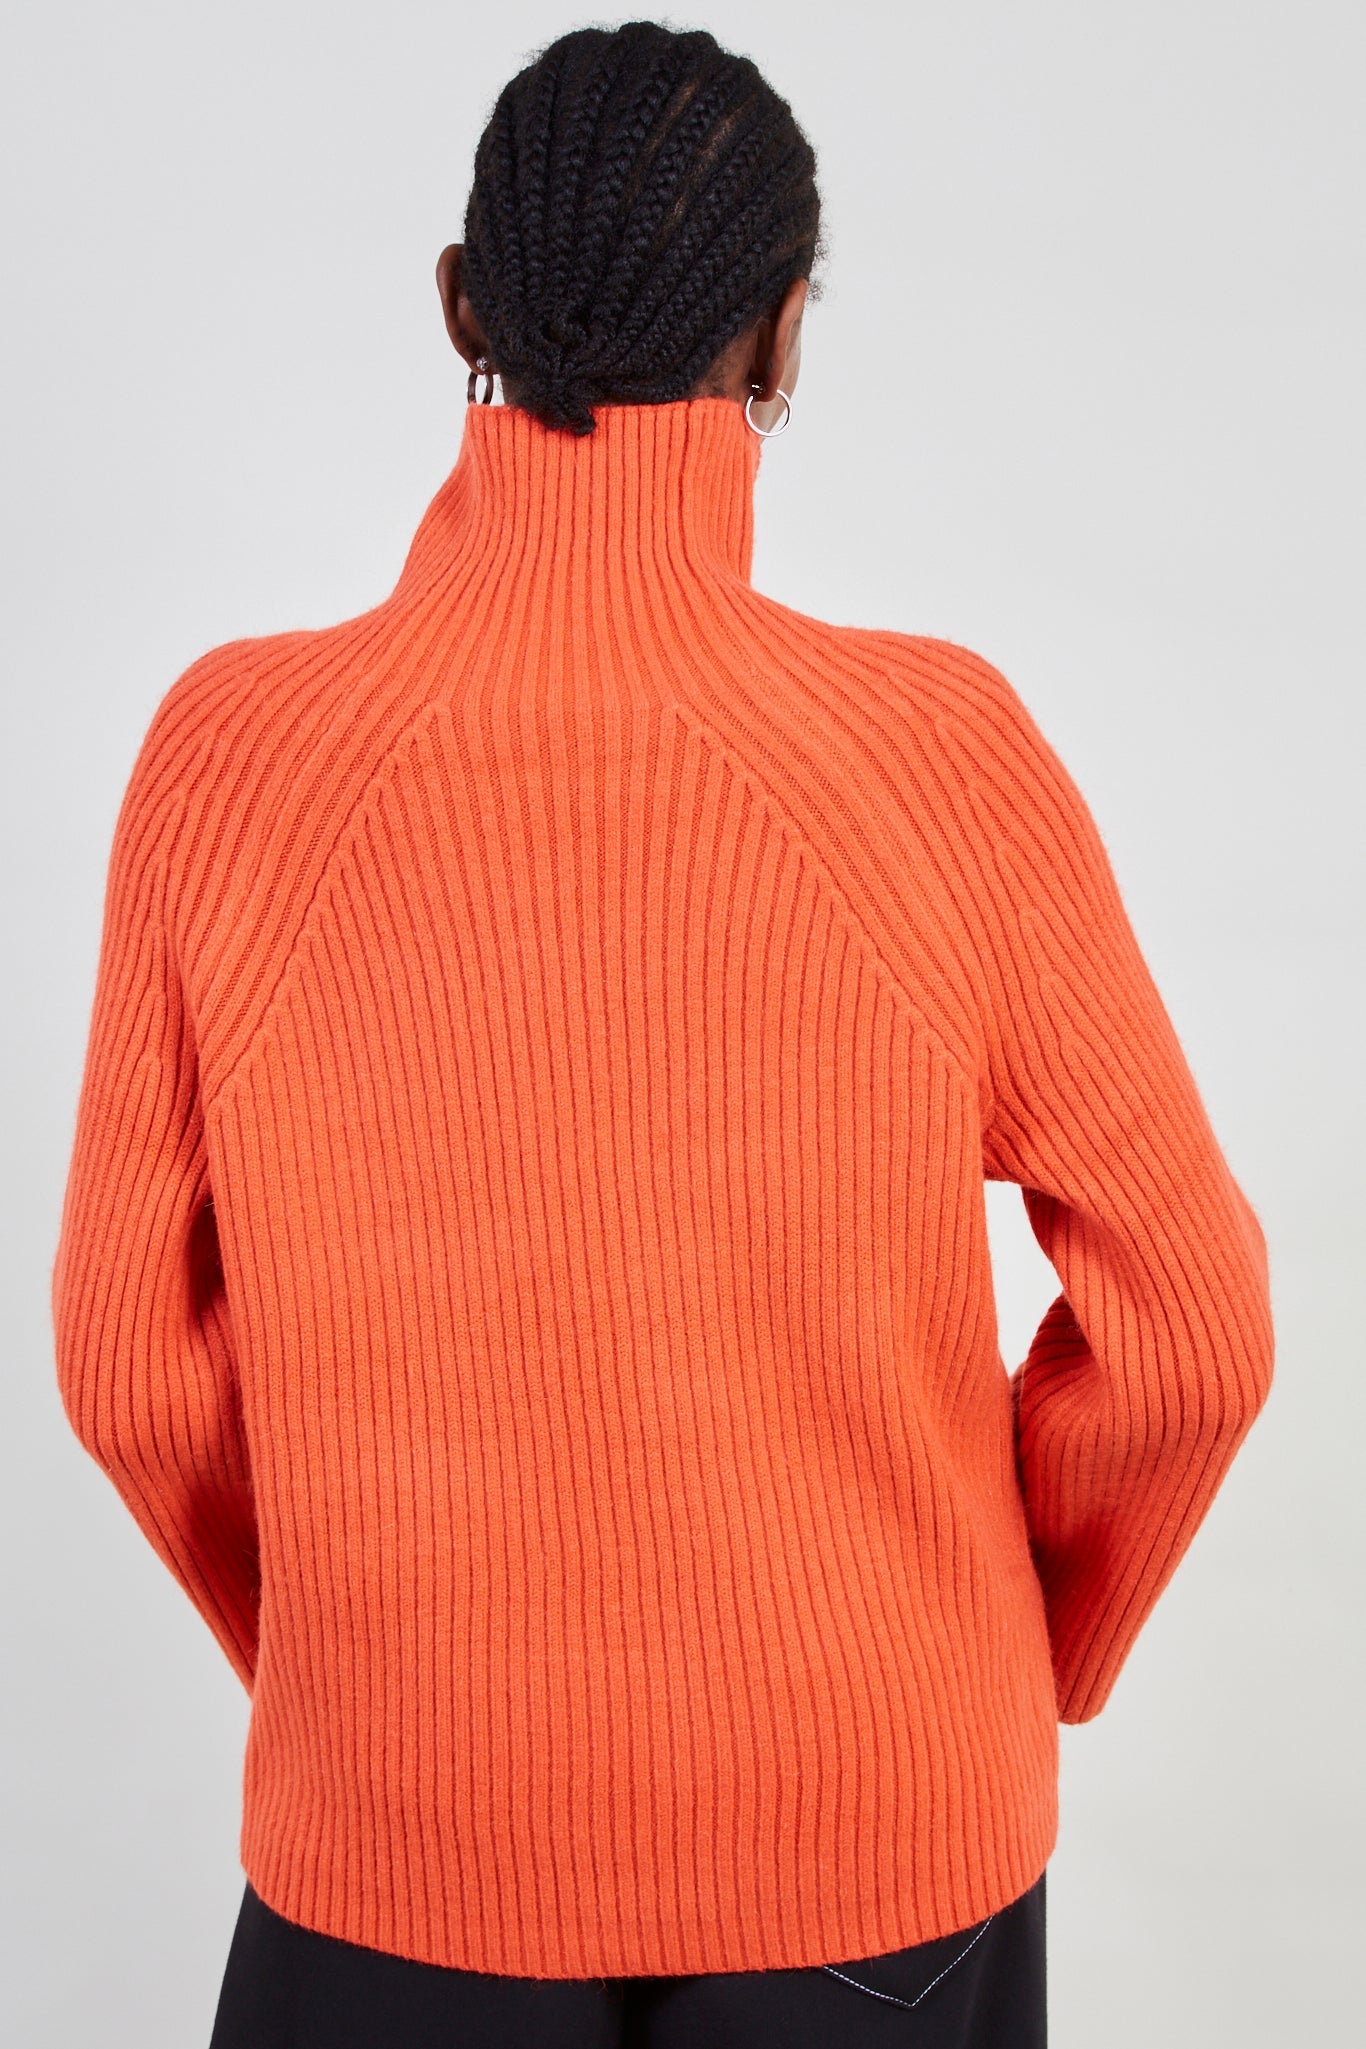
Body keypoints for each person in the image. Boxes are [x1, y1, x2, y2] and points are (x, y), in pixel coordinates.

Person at [50, 20, 1274, 2048]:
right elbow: (1195, 1332)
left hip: (400, 1837)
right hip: (882, 1831)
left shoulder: (228, 756)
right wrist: (1007, 1638)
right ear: (782, 340)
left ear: (461, 307)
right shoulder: (936, 752)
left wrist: (363, 1666)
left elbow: (123, 1372)